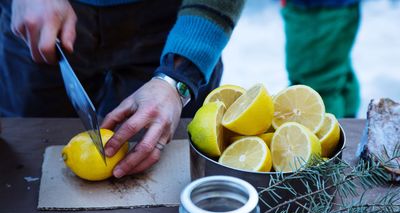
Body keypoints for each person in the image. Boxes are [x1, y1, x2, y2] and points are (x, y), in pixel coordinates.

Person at [0, 0, 245, 177]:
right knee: (26, 151)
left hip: (175, 21)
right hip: (41, 17)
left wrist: (175, 82)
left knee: (173, 159)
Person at [281, 0, 361, 118]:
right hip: (332, 8)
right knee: (335, 72)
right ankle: (348, 128)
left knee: (315, 88)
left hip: (316, 12)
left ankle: (326, 132)